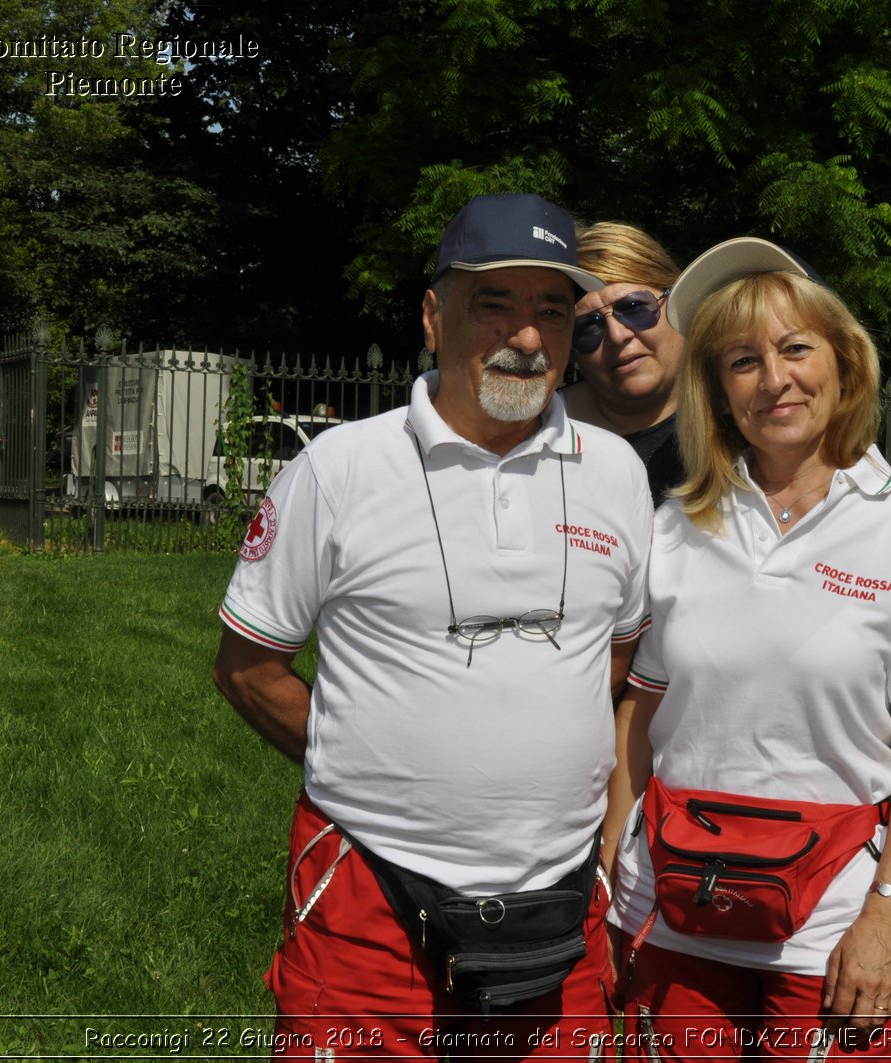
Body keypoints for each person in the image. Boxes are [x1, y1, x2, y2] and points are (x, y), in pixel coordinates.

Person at [212, 193, 653, 1059]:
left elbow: (620, 650)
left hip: (559, 909)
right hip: (368, 901)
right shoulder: (340, 469)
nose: (527, 336)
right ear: (433, 317)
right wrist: (371, 760)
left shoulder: (615, 474)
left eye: (552, 311)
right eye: (495, 304)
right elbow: (247, 666)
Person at [601, 238, 891, 1058]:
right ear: (717, 392)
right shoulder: (676, 526)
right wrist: (607, 890)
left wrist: (889, 913)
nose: (775, 380)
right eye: (742, 361)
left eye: (796, 348)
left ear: (844, 364)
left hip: (832, 933)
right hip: (671, 919)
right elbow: (640, 716)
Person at [565, 221, 891, 621]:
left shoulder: (758, 421)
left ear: (674, 303)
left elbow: (861, 521)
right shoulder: (543, 437)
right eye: (588, 327)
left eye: (634, 308)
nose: (618, 336)